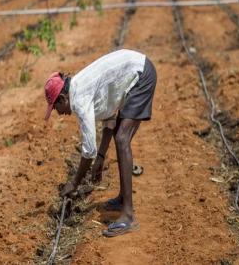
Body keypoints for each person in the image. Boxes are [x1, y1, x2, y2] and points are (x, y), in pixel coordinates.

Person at [44, 49, 157, 237]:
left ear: (62, 99)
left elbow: (89, 150)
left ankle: (128, 216)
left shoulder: (79, 100)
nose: (58, 113)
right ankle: (122, 198)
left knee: (122, 139)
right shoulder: (79, 87)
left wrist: (74, 183)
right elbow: (110, 118)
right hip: (136, 70)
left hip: (141, 74)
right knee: (119, 134)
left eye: (55, 107)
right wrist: (102, 157)